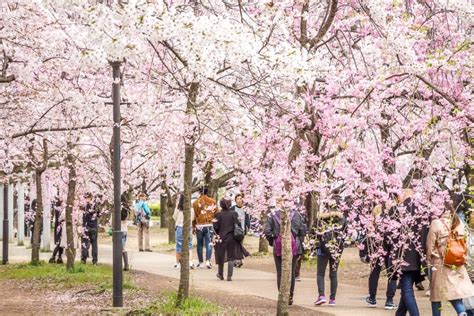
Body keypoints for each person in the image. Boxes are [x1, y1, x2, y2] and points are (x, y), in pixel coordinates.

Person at [427, 201, 473, 316]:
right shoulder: (458, 222)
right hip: (457, 262)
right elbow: (465, 243)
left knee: (436, 296)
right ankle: (462, 312)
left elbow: (430, 245)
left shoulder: (436, 223)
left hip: (440, 263)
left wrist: (429, 260)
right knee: (454, 292)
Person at [264, 198, 306, 306]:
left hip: (279, 247)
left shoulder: (272, 215)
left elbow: (267, 231)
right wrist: (298, 242)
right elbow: (303, 231)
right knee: (291, 272)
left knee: (280, 272)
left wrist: (273, 241)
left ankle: (282, 295)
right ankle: (290, 296)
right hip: (294, 247)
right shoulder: (297, 215)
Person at [395, 189, 428, 316]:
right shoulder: (423, 210)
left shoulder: (399, 210)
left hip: (403, 256)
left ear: (403, 195)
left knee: (407, 290)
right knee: (406, 289)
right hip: (418, 256)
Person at [365, 203, 398, 310]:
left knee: (374, 272)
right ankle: (389, 300)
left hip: (376, 248)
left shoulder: (373, 225)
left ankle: (372, 298)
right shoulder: (392, 222)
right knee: (392, 273)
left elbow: (368, 239)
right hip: (391, 248)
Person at [313, 209, 347, 307]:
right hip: (337, 250)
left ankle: (321, 295)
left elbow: (313, 232)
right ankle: (332, 299)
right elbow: (346, 234)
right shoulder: (342, 219)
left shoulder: (320, 218)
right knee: (333, 274)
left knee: (320, 273)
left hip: (322, 249)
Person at [214, 198, 249, 281]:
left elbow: (215, 227)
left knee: (221, 256)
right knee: (231, 257)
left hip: (221, 238)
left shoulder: (218, 215)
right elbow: (238, 225)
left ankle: (220, 274)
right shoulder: (234, 214)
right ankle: (229, 276)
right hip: (232, 237)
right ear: (230, 204)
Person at [193, 187, 217, 269]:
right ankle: (208, 261)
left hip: (199, 225)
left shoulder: (196, 203)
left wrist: (194, 226)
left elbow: (195, 215)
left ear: (199, 192)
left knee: (199, 244)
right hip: (209, 225)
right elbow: (216, 213)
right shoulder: (212, 201)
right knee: (208, 243)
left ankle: (200, 262)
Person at [173, 194, 195, 269]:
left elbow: (174, 217)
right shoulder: (191, 208)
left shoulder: (178, 208)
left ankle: (178, 263)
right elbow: (192, 218)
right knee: (189, 245)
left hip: (179, 227)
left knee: (179, 245)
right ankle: (190, 262)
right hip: (188, 227)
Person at [230, 193, 250, 268]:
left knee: (240, 245)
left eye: (240, 198)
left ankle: (239, 260)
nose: (239, 200)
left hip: (242, 230)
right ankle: (236, 261)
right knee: (235, 245)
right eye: (237, 198)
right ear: (235, 200)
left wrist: (248, 227)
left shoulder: (245, 209)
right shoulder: (232, 208)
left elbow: (248, 219)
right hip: (234, 230)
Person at [81, 192, 101, 264]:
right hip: (94, 227)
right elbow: (99, 215)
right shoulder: (95, 205)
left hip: (86, 227)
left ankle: (83, 259)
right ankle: (95, 261)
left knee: (85, 243)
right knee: (94, 244)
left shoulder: (84, 206)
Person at [49, 197, 65, 264]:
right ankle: (53, 257)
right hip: (60, 227)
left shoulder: (57, 209)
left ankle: (59, 258)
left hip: (59, 227)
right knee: (59, 244)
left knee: (61, 244)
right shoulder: (59, 209)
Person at [121, 193, 130, 271]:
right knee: (122, 247)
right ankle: (125, 264)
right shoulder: (127, 208)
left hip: (120, 230)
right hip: (125, 229)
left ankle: (126, 265)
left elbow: (121, 218)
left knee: (120, 248)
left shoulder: (121, 208)